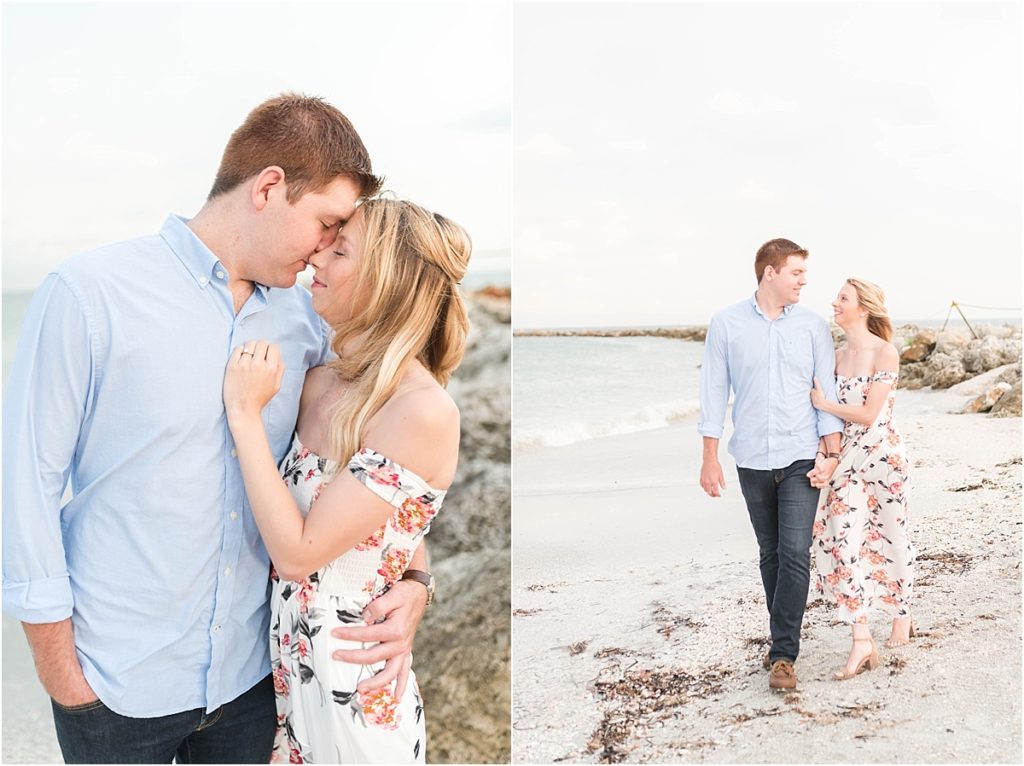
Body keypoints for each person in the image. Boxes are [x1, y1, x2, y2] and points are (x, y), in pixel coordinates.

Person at [2, 94, 431, 763]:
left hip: (253, 680)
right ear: (268, 188)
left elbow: (377, 459)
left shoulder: (308, 317)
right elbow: (25, 485)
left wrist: (413, 579)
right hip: (114, 683)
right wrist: (61, 673)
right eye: (324, 222)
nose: (324, 249)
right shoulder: (89, 294)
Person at [222, 198, 469, 763]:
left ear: (385, 280)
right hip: (285, 680)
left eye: (340, 251)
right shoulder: (321, 382)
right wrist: (417, 581)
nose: (317, 260)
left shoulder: (422, 409)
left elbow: (297, 554)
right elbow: (384, 521)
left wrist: (244, 416)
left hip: (351, 684)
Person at [698, 238, 845, 691]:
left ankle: (783, 654)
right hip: (752, 458)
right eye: (797, 272)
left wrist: (831, 454)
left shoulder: (814, 327)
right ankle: (782, 636)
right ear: (770, 273)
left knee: (796, 554)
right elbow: (713, 392)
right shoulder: (726, 324)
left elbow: (827, 394)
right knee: (771, 554)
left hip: (802, 454)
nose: (805, 281)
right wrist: (710, 457)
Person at [809, 278, 915, 680]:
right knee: (841, 540)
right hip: (845, 460)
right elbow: (825, 421)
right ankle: (861, 637)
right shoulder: (834, 356)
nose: (834, 303)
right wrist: (824, 454)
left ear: (863, 308)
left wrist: (825, 402)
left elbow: (870, 414)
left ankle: (902, 613)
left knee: (892, 534)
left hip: (883, 456)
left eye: (842, 299)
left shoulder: (884, 352)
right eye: (836, 297)